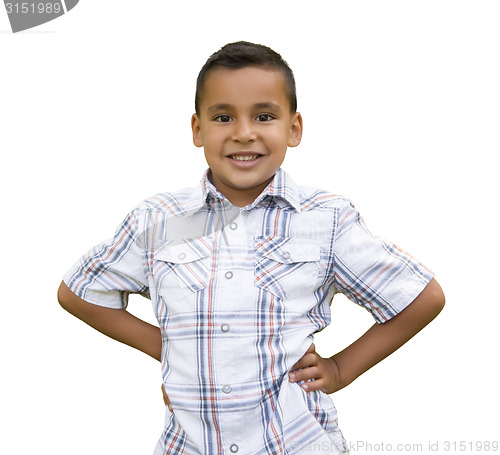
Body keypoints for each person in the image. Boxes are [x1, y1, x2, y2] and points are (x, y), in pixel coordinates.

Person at [58, 41, 445, 455]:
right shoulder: (157, 219)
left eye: (264, 116)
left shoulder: (326, 219)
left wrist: (339, 369)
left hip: (296, 442)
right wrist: (172, 351)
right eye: (223, 117)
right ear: (197, 129)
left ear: (293, 128)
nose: (244, 132)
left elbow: (420, 298)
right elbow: (80, 291)